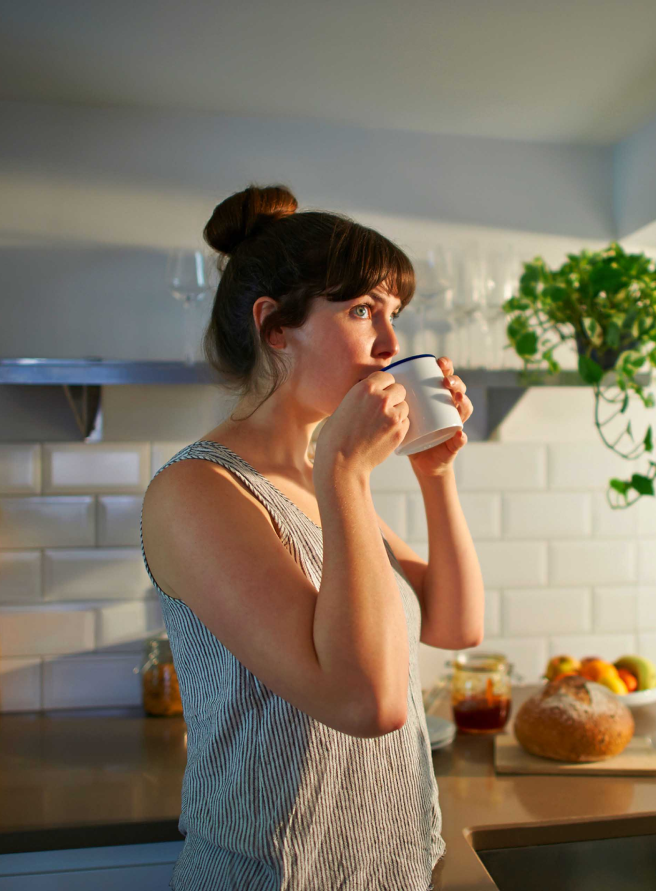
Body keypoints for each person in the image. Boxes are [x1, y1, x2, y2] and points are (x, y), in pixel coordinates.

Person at [139, 183, 485, 890]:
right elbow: (368, 703)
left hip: (379, 868)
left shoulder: (317, 474)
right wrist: (347, 477)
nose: (392, 344)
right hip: (271, 875)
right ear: (274, 326)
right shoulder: (199, 491)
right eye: (362, 311)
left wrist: (433, 471)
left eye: (393, 315)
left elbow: (454, 624)